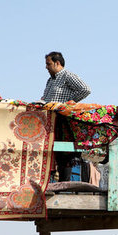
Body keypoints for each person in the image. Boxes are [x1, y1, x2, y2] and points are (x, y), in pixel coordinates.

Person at [42, 51, 92, 182]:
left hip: (63, 119)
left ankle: (64, 185)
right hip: (51, 119)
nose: (46, 67)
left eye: (48, 64)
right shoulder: (50, 80)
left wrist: (68, 104)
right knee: (53, 152)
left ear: (57, 63)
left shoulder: (67, 75)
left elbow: (85, 89)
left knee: (65, 154)